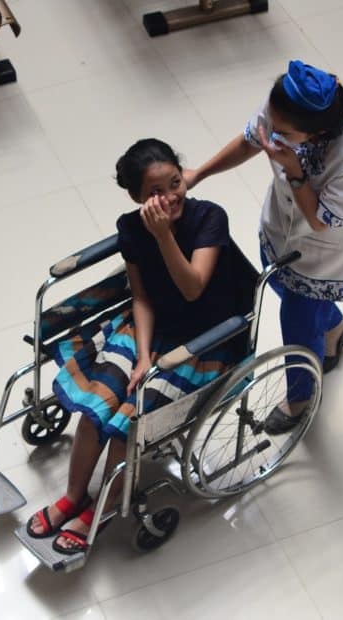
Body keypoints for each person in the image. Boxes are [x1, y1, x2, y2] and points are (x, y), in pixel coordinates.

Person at [26, 138, 240, 555]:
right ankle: (74, 497)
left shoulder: (210, 218)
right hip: (152, 328)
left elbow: (193, 288)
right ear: (137, 197)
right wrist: (142, 355)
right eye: (155, 192)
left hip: (203, 342)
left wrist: (163, 237)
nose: (170, 196)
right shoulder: (131, 228)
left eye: (175, 183)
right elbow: (141, 297)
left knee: (126, 426)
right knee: (96, 409)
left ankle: (101, 512)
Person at [184, 60, 343, 435]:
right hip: (277, 229)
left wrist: (294, 171)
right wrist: (199, 173)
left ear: (317, 131)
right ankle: (335, 330)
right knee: (282, 291)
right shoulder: (285, 105)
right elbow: (250, 140)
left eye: (285, 133)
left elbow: (321, 220)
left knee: (297, 321)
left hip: (320, 252)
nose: (274, 135)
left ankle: (300, 398)